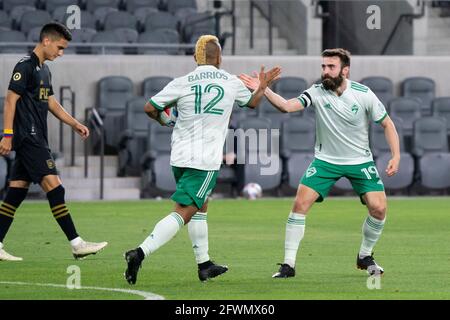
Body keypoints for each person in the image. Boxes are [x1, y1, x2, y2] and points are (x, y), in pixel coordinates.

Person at [124, 35, 280, 284]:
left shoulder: (182, 82)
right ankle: (139, 253)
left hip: (180, 156)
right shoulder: (230, 81)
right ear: (219, 57)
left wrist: (166, 120)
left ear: (197, 57)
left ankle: (204, 264)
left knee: (201, 205)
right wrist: (261, 86)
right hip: (204, 159)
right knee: (184, 211)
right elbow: (252, 103)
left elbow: (150, 107)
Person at [239, 48, 400, 277]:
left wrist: (396, 155)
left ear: (345, 70)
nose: (325, 71)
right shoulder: (316, 91)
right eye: (323, 66)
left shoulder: (363, 94)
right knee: (300, 205)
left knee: (379, 208)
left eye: (331, 67)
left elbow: (388, 124)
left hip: (360, 161)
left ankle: (365, 255)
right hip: (326, 161)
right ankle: (288, 265)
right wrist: (263, 89)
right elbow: (286, 106)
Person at [0, 22, 108, 261]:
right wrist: (7, 134)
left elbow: (51, 103)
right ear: (46, 40)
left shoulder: (45, 70)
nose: (61, 53)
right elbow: (10, 100)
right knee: (55, 186)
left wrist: (74, 123)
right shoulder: (25, 66)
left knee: (16, 191)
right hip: (29, 137)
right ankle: (77, 243)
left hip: (38, 137)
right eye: (60, 47)